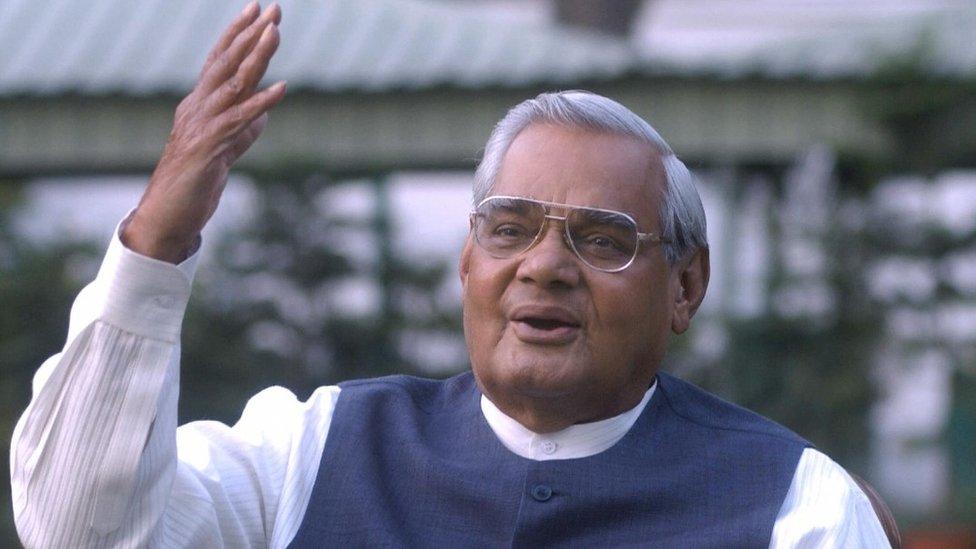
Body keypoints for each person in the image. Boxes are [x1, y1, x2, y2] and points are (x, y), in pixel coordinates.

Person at [11, 3, 891, 547]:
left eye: (601, 237)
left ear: (687, 287)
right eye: (510, 229)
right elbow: (79, 533)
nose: (544, 266)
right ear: (468, 261)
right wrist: (156, 242)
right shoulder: (315, 452)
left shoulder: (791, 507)